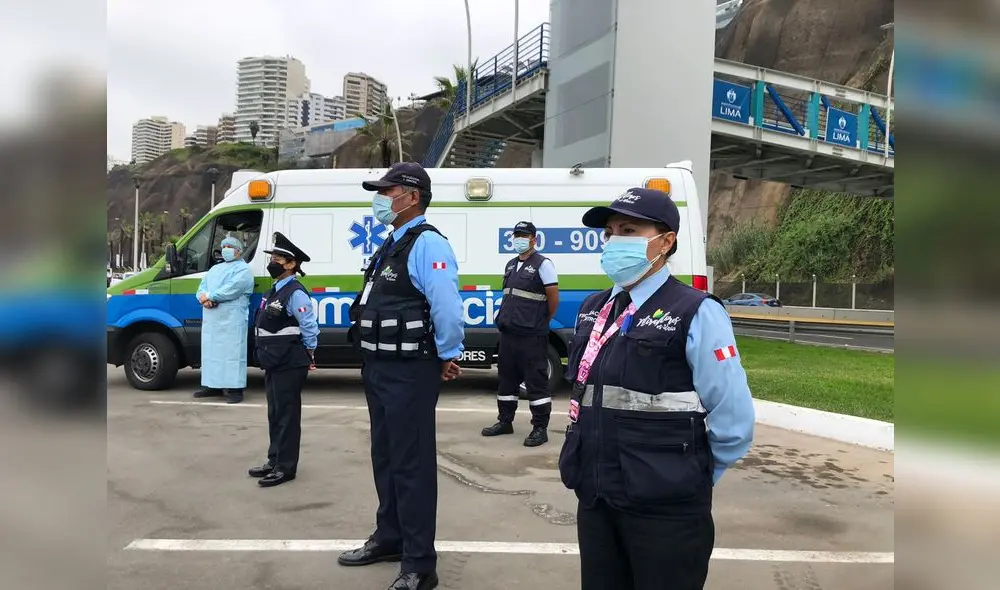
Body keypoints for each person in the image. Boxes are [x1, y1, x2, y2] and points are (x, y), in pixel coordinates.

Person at [557, 187, 756, 590]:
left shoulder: (697, 311)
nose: (613, 241)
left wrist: (691, 475)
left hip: (666, 508)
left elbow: (733, 417)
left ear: (665, 242)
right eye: (610, 232)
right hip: (596, 497)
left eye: (628, 230)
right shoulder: (594, 307)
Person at [338, 162, 465, 590]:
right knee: (386, 457)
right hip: (380, 367)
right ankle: (390, 537)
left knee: (411, 464)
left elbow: (447, 306)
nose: (379, 198)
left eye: (386, 191)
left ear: (411, 197)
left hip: (410, 370)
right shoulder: (392, 243)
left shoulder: (428, 244)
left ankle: (419, 564)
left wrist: (448, 352)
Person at [246, 232, 320, 488]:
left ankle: (286, 467)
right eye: (273, 257)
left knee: (287, 415)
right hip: (273, 360)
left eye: (278, 258)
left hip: (290, 361)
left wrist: (310, 350)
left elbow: (309, 325)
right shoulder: (274, 290)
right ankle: (274, 460)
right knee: (275, 413)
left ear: (291, 264)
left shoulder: (295, 292)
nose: (273, 261)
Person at [481, 220, 559, 446]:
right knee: (506, 379)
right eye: (516, 235)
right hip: (508, 333)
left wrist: (542, 321)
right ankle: (505, 421)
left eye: (524, 235)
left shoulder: (543, 264)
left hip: (531, 334)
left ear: (534, 239)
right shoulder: (511, 265)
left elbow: (553, 297)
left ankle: (540, 428)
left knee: (536, 381)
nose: (519, 239)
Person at [193, 236, 256, 404]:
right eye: (224, 246)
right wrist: (203, 299)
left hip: (232, 318)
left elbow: (233, 289)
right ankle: (212, 385)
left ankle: (235, 389)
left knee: (232, 353)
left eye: (230, 246)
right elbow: (201, 288)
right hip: (212, 318)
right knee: (211, 352)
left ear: (239, 250)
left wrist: (212, 297)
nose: (226, 248)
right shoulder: (215, 269)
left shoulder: (243, 270)